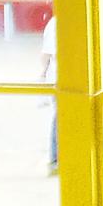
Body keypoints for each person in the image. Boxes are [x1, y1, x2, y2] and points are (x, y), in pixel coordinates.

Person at [40, 12, 57, 174]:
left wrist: (42, 74)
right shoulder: (56, 24)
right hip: (59, 79)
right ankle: (55, 159)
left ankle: (55, 160)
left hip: (57, 78)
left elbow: (45, 55)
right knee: (60, 118)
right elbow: (46, 54)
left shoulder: (54, 23)